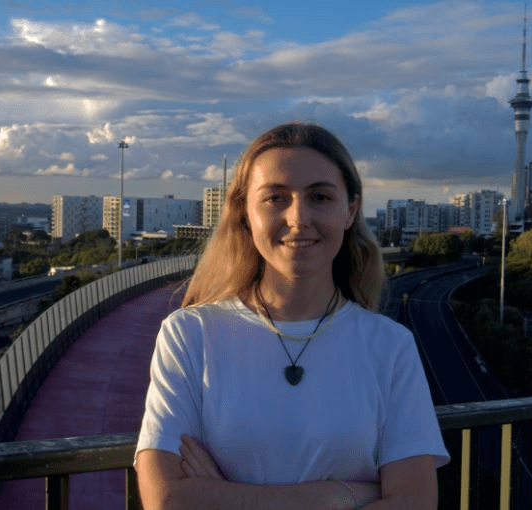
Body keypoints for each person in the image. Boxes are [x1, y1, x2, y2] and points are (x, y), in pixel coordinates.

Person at [135, 122, 449, 509]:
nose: (299, 218)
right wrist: (335, 496)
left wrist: (223, 498)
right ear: (244, 213)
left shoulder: (390, 346)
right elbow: (167, 500)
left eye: (319, 197)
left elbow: (414, 504)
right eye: (275, 198)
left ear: (350, 210)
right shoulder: (190, 335)